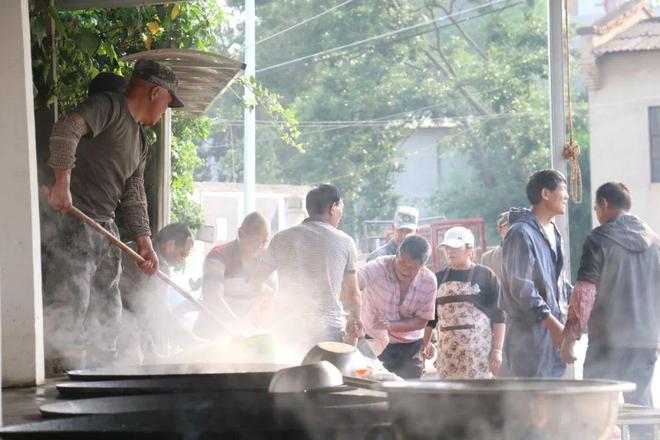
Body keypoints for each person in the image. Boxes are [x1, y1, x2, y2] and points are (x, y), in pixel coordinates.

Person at [41, 59, 184, 369]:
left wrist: (144, 242)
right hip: (73, 220)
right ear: (155, 93)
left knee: (108, 305)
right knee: (70, 302)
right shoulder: (109, 106)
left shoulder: (141, 141)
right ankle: (62, 377)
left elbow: (133, 194)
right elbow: (67, 129)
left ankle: (102, 370)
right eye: (167, 103)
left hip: (103, 226)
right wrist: (62, 184)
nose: (165, 112)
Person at [560, 183, 660, 407]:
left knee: (596, 410)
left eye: (596, 208)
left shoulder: (598, 239)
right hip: (645, 342)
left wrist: (570, 336)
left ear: (604, 204)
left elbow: (585, 292)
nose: (597, 214)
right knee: (641, 411)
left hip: (607, 342)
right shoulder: (654, 241)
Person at [250, 184, 363, 352]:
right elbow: (352, 294)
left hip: (288, 326)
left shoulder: (281, 238)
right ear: (332, 208)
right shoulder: (345, 242)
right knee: (325, 375)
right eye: (340, 208)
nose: (341, 214)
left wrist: (267, 295)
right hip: (326, 330)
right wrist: (356, 318)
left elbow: (256, 279)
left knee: (290, 374)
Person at [500, 170, 572, 378]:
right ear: (545, 194)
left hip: (552, 331)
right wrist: (552, 324)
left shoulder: (554, 231)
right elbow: (521, 287)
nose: (566, 196)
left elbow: (557, 284)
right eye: (563, 190)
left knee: (549, 403)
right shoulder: (520, 232)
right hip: (528, 335)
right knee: (529, 402)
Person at [422, 226, 505, 379]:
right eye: (446, 247)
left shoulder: (485, 275)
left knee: (478, 398)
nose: (449, 251)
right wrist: (425, 344)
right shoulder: (438, 278)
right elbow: (431, 318)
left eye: (454, 247)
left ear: (469, 249)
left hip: (478, 355)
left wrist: (497, 351)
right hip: (448, 356)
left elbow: (499, 317)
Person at [118, 223, 199, 364]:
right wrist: (191, 341)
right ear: (170, 245)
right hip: (116, 324)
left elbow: (142, 312)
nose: (182, 260)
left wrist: (151, 351)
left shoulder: (131, 246)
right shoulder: (158, 266)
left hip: (110, 321)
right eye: (183, 254)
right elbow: (161, 315)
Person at [358, 235, 437, 378]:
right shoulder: (378, 266)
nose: (405, 271)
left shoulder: (429, 281)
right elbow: (354, 282)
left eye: (413, 268)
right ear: (397, 254)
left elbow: (422, 321)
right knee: (372, 386)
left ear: (422, 265)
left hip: (410, 345)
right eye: (402, 264)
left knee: (411, 392)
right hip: (373, 341)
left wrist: (391, 325)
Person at [193, 212, 271, 338]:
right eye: (255, 241)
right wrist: (237, 326)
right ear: (240, 234)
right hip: (211, 334)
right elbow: (213, 298)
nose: (260, 248)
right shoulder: (218, 256)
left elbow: (268, 296)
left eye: (264, 242)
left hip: (243, 336)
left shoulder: (265, 260)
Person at [480, 211, 510, 283]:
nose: (514, 230)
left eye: (518, 226)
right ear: (500, 230)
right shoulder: (487, 258)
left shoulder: (531, 255)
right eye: (509, 227)